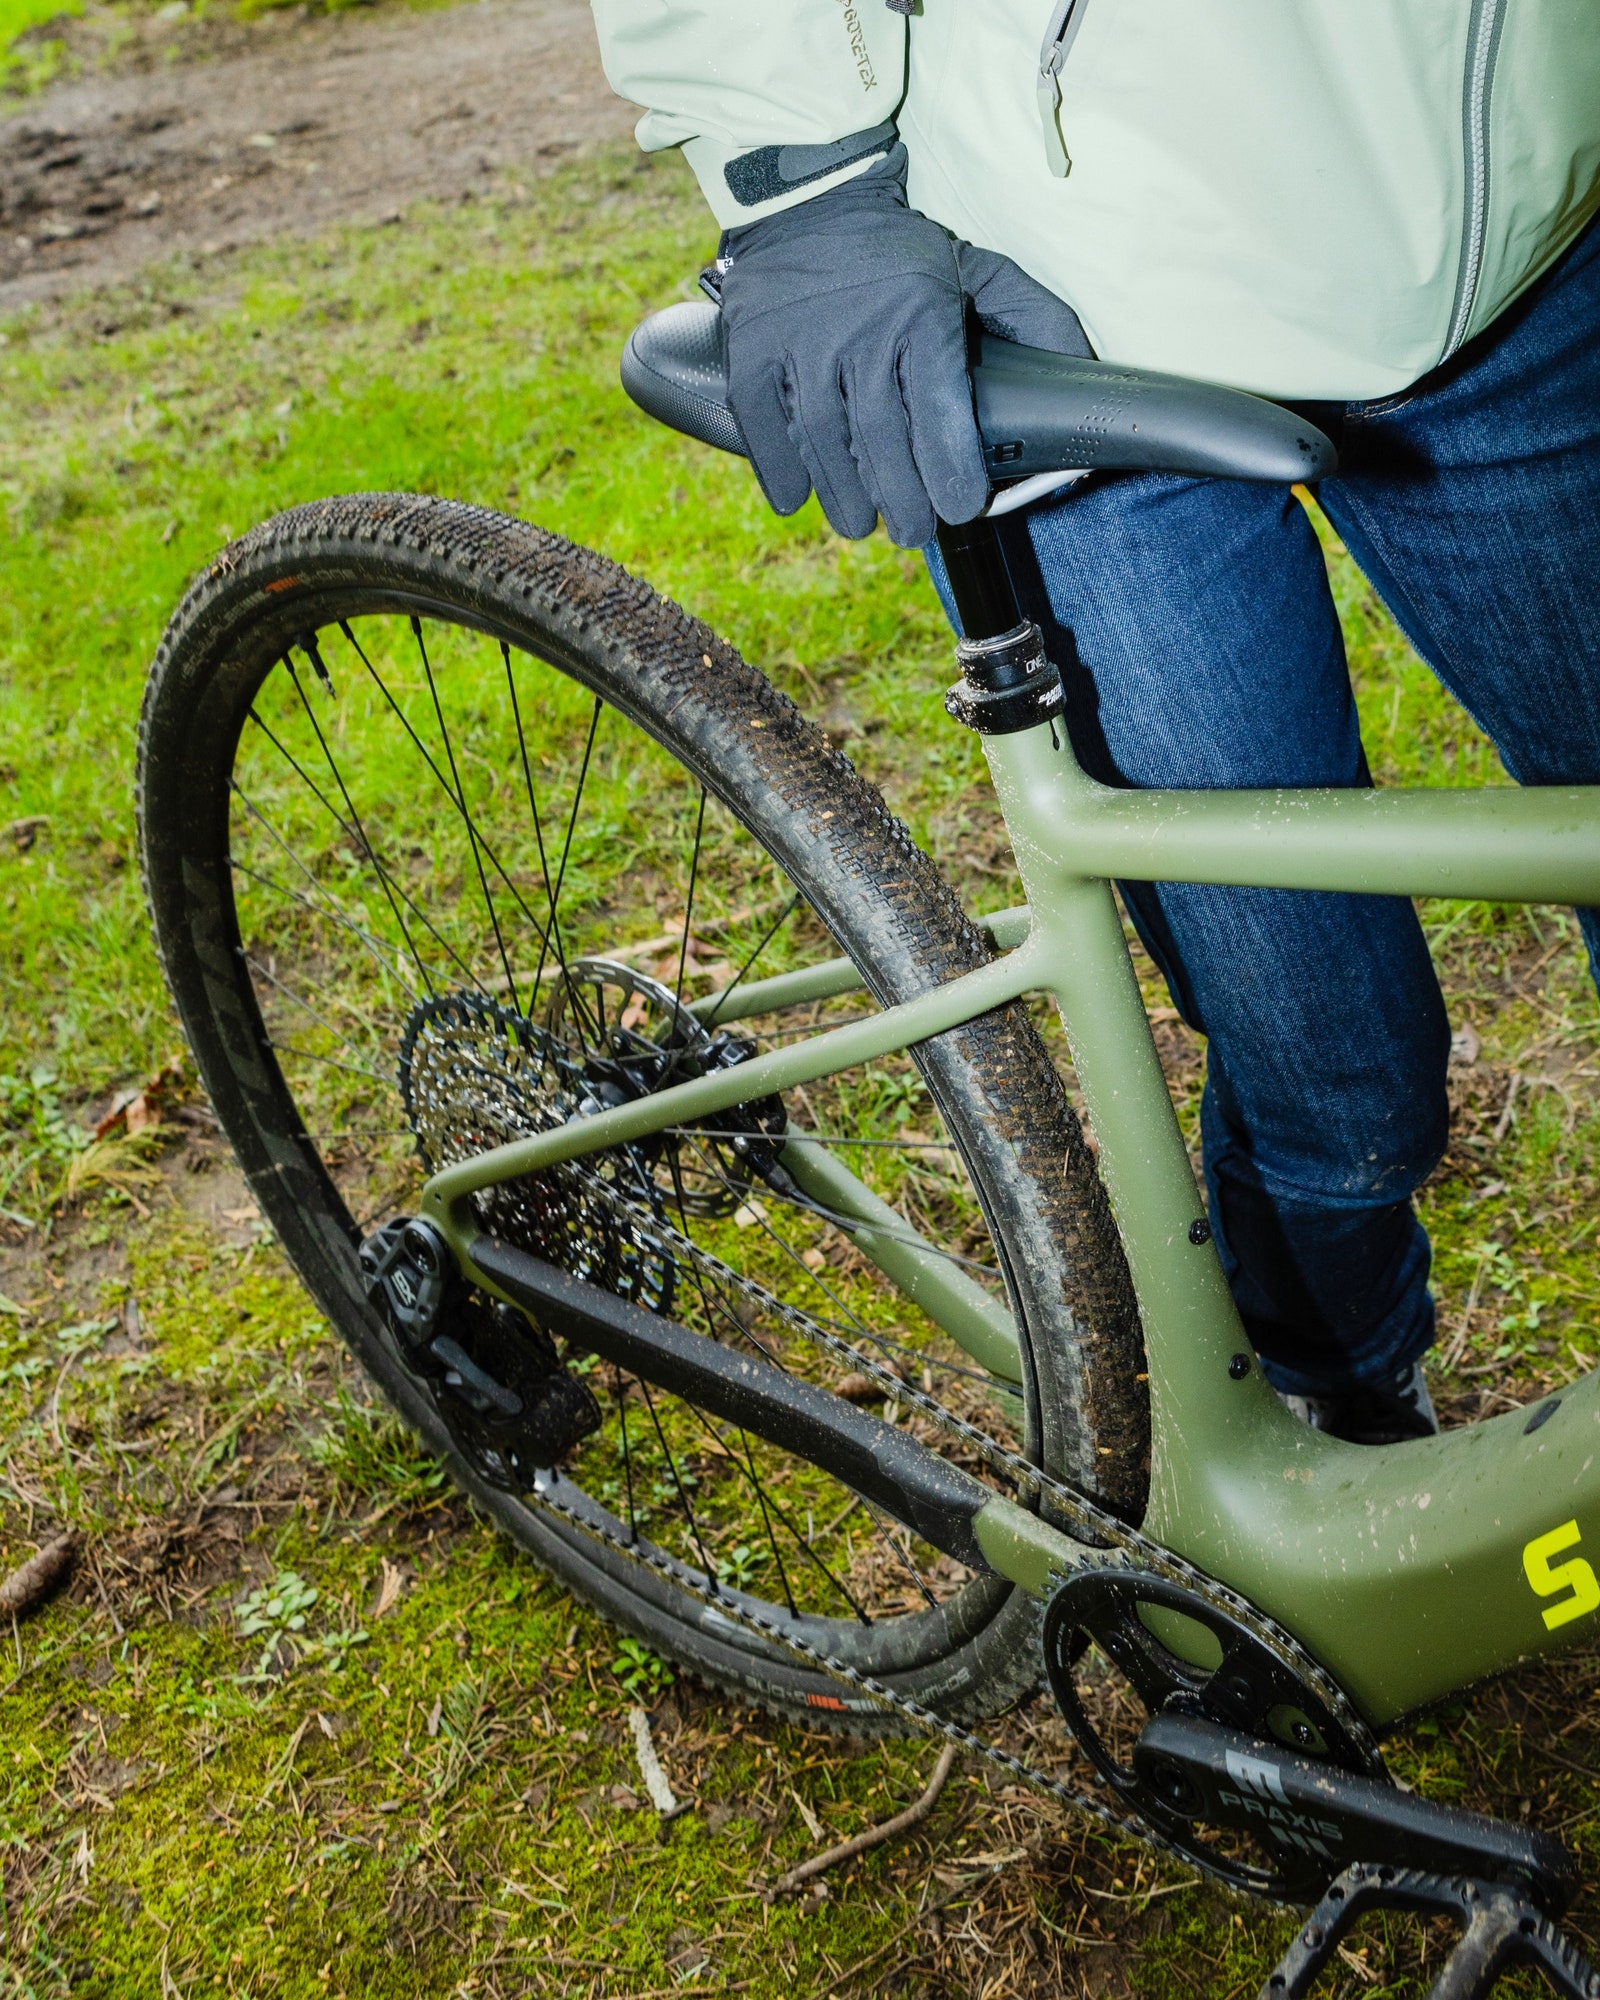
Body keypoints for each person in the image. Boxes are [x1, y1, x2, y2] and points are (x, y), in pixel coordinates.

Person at [587, 1, 1600, 1445]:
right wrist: (803, 189)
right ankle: (1339, 1399)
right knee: (1334, 1070)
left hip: (1514, 234)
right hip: (1056, 294)